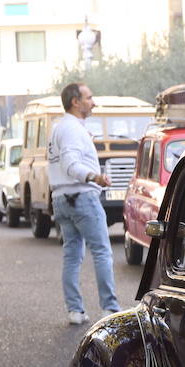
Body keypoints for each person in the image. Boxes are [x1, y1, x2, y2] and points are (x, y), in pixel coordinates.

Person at [49, 82, 120, 325]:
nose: (94, 102)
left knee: (71, 255)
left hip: (61, 198)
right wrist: (95, 176)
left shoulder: (60, 128)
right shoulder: (71, 130)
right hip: (81, 196)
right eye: (89, 98)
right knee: (101, 251)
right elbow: (70, 164)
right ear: (75, 102)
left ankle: (75, 310)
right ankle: (110, 309)